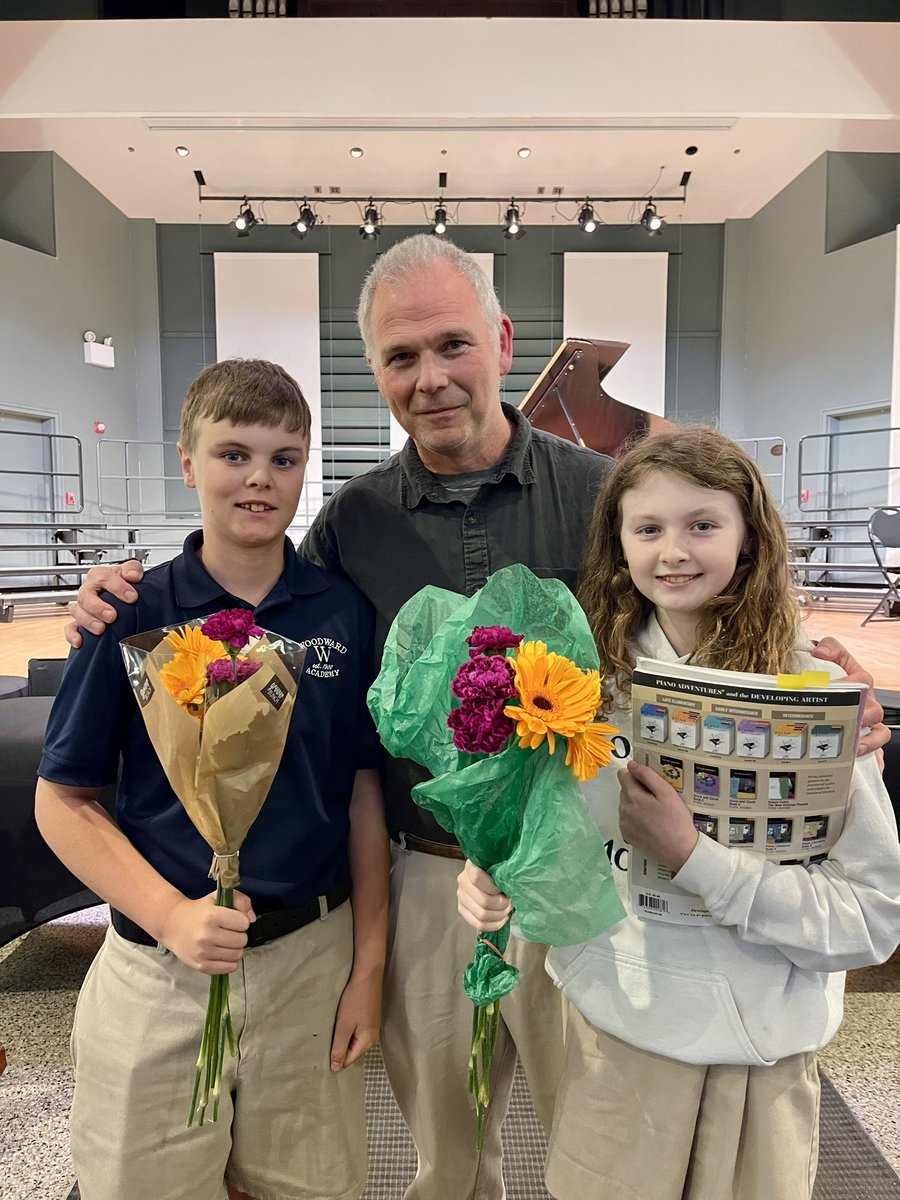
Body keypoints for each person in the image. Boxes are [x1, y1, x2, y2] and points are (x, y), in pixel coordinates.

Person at [64, 237, 889, 1199]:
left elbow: (706, 610)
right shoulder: (350, 521)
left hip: (585, 882)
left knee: (595, 1141)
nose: (430, 378)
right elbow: (259, 596)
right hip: (423, 880)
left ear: (501, 340)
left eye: (452, 345)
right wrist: (120, 588)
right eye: (400, 358)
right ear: (375, 372)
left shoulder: (603, 497)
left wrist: (819, 675)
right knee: (443, 1155)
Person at [457, 426, 900, 1200]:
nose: (675, 551)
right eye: (649, 528)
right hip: (617, 1039)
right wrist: (494, 878)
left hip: (759, 1055)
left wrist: (698, 859)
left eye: (703, 524)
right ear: (618, 543)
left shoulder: (819, 695)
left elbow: (871, 919)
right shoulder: (578, 685)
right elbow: (558, 860)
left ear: (750, 535)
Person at [38, 359, 389, 1200]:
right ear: (189, 462)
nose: (259, 480)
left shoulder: (343, 613)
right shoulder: (131, 610)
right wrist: (170, 913)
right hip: (159, 967)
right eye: (234, 454)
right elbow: (64, 799)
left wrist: (368, 967)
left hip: (310, 959)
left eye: (284, 458)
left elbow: (362, 794)